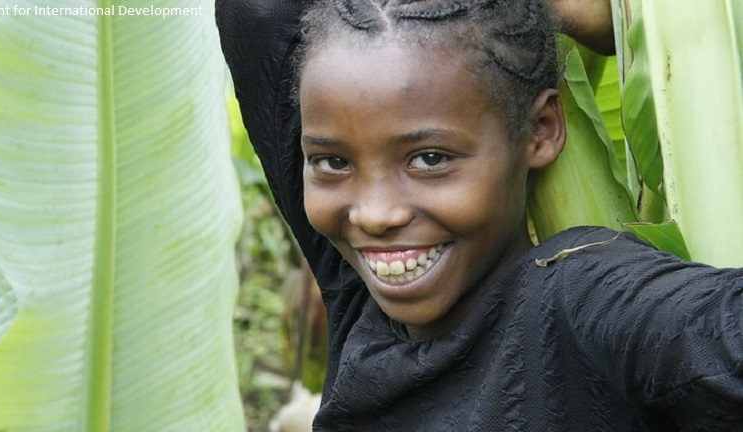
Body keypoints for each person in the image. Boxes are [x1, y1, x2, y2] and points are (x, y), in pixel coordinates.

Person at [216, 0, 743, 430]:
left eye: (430, 159)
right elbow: (259, 15)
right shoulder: (361, 301)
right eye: (333, 162)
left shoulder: (583, 301)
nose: (375, 215)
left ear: (541, 129)